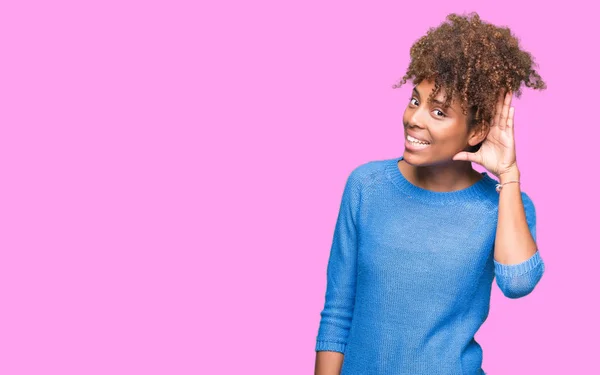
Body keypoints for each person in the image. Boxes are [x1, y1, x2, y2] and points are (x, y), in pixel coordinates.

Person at [314, 12, 547, 375]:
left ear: (475, 132)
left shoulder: (502, 204)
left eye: (439, 111)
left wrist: (509, 175)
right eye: (414, 100)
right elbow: (338, 311)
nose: (415, 119)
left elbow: (518, 283)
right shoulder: (366, 186)